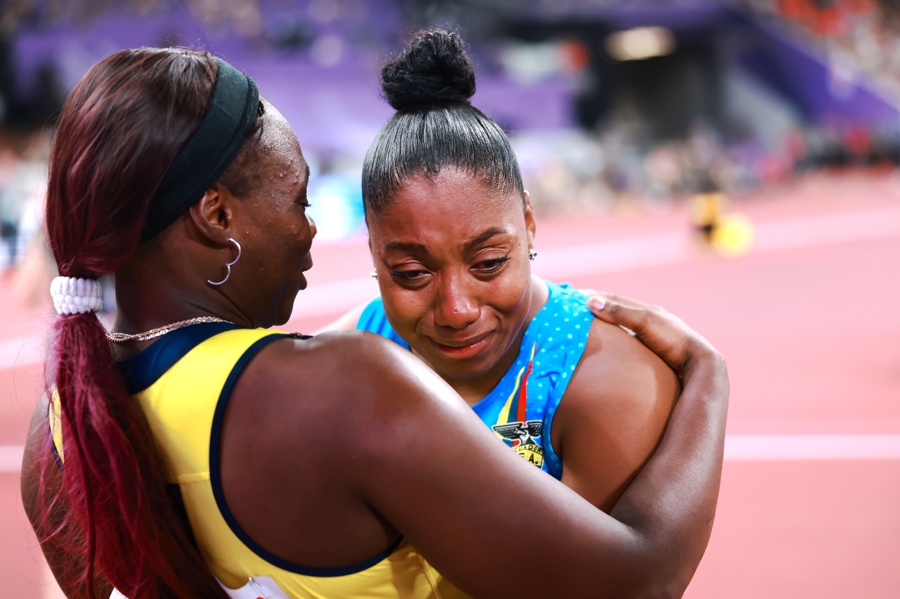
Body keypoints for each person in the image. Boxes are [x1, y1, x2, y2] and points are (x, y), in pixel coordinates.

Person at [19, 47, 728, 599]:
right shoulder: (342, 388)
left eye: (487, 260)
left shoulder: (59, 431)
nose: (310, 230)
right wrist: (709, 379)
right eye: (297, 198)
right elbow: (635, 578)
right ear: (218, 216)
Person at [325, 28, 678, 513]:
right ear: (373, 254)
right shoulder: (360, 346)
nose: (456, 309)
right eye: (410, 273)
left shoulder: (605, 379)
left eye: (488, 264)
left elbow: (615, 578)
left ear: (529, 226)